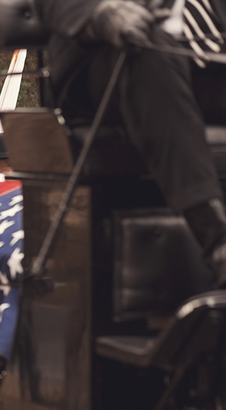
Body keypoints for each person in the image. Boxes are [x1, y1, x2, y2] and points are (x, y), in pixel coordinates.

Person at [34, 0, 226, 280]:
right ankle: (217, 238)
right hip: (112, 55)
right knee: (147, 53)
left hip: (210, 61)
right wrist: (99, 14)